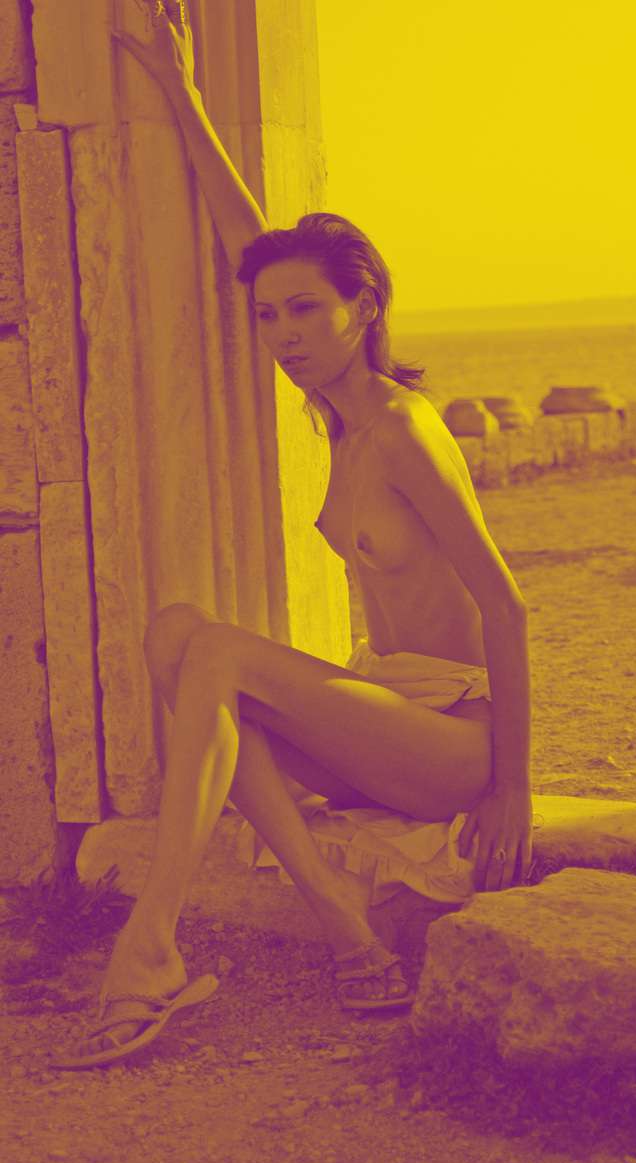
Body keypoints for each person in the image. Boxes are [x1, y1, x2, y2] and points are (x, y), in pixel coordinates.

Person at [56, 0, 532, 1069]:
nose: (283, 335)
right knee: (177, 635)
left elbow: (507, 605)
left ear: (365, 307)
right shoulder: (337, 412)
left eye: (307, 312)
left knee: (220, 653)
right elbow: (255, 245)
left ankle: (150, 945)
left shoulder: (405, 430)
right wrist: (181, 92)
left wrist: (512, 785)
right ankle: (344, 924)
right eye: (269, 316)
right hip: (384, 719)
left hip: (450, 746)